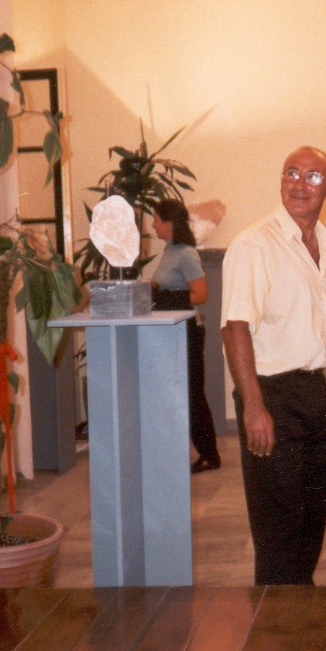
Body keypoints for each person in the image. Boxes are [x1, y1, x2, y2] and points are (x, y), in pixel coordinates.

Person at [221, 146, 326, 585]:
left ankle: (301, 621)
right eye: (291, 173)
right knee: (277, 526)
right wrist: (254, 407)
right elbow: (234, 326)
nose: (300, 184)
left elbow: (325, 334)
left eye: (313, 177)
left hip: (315, 392)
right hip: (271, 394)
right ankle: (273, 637)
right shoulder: (254, 242)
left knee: (312, 520)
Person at [149, 198, 221, 473]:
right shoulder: (169, 251)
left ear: (168, 222)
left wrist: (163, 295)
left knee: (192, 393)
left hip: (188, 331)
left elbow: (201, 294)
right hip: (172, 331)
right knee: (183, 393)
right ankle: (198, 451)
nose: (153, 225)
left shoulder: (187, 253)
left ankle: (209, 454)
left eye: (156, 219)